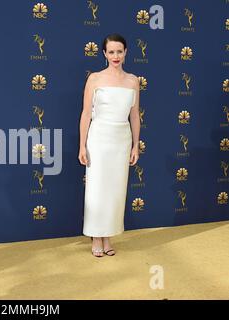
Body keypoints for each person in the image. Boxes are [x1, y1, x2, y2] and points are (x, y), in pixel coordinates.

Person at [78, 34, 140, 257]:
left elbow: (134, 115)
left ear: (126, 53)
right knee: (97, 188)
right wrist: (82, 146)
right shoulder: (95, 79)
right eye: (111, 52)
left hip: (121, 139)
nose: (116, 56)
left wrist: (135, 145)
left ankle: (108, 236)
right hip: (99, 138)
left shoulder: (133, 80)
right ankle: (96, 237)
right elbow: (86, 114)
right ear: (104, 54)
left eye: (119, 51)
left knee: (115, 189)